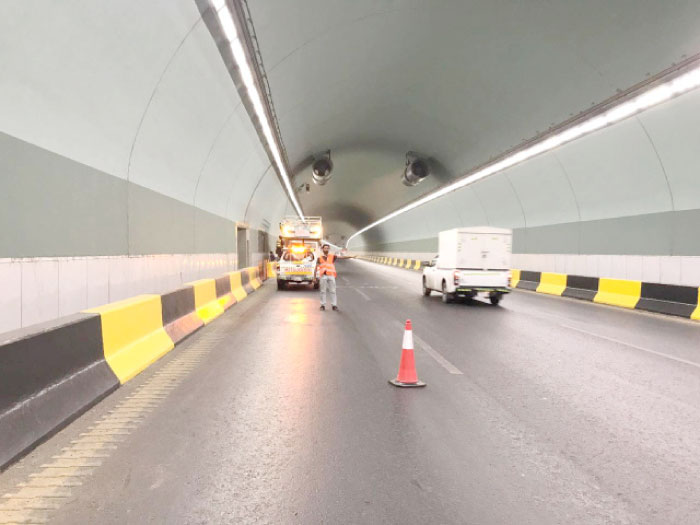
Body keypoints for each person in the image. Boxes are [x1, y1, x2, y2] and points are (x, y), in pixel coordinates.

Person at [318, 243, 355, 311]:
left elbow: (341, 257)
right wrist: (315, 277)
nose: (326, 249)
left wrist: (351, 256)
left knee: (333, 291)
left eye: (327, 248)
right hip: (323, 276)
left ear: (329, 249)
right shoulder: (319, 258)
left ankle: (334, 305)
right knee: (323, 291)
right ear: (322, 249)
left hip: (331, 276)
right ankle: (322, 305)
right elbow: (316, 267)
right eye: (325, 248)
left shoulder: (332, 256)